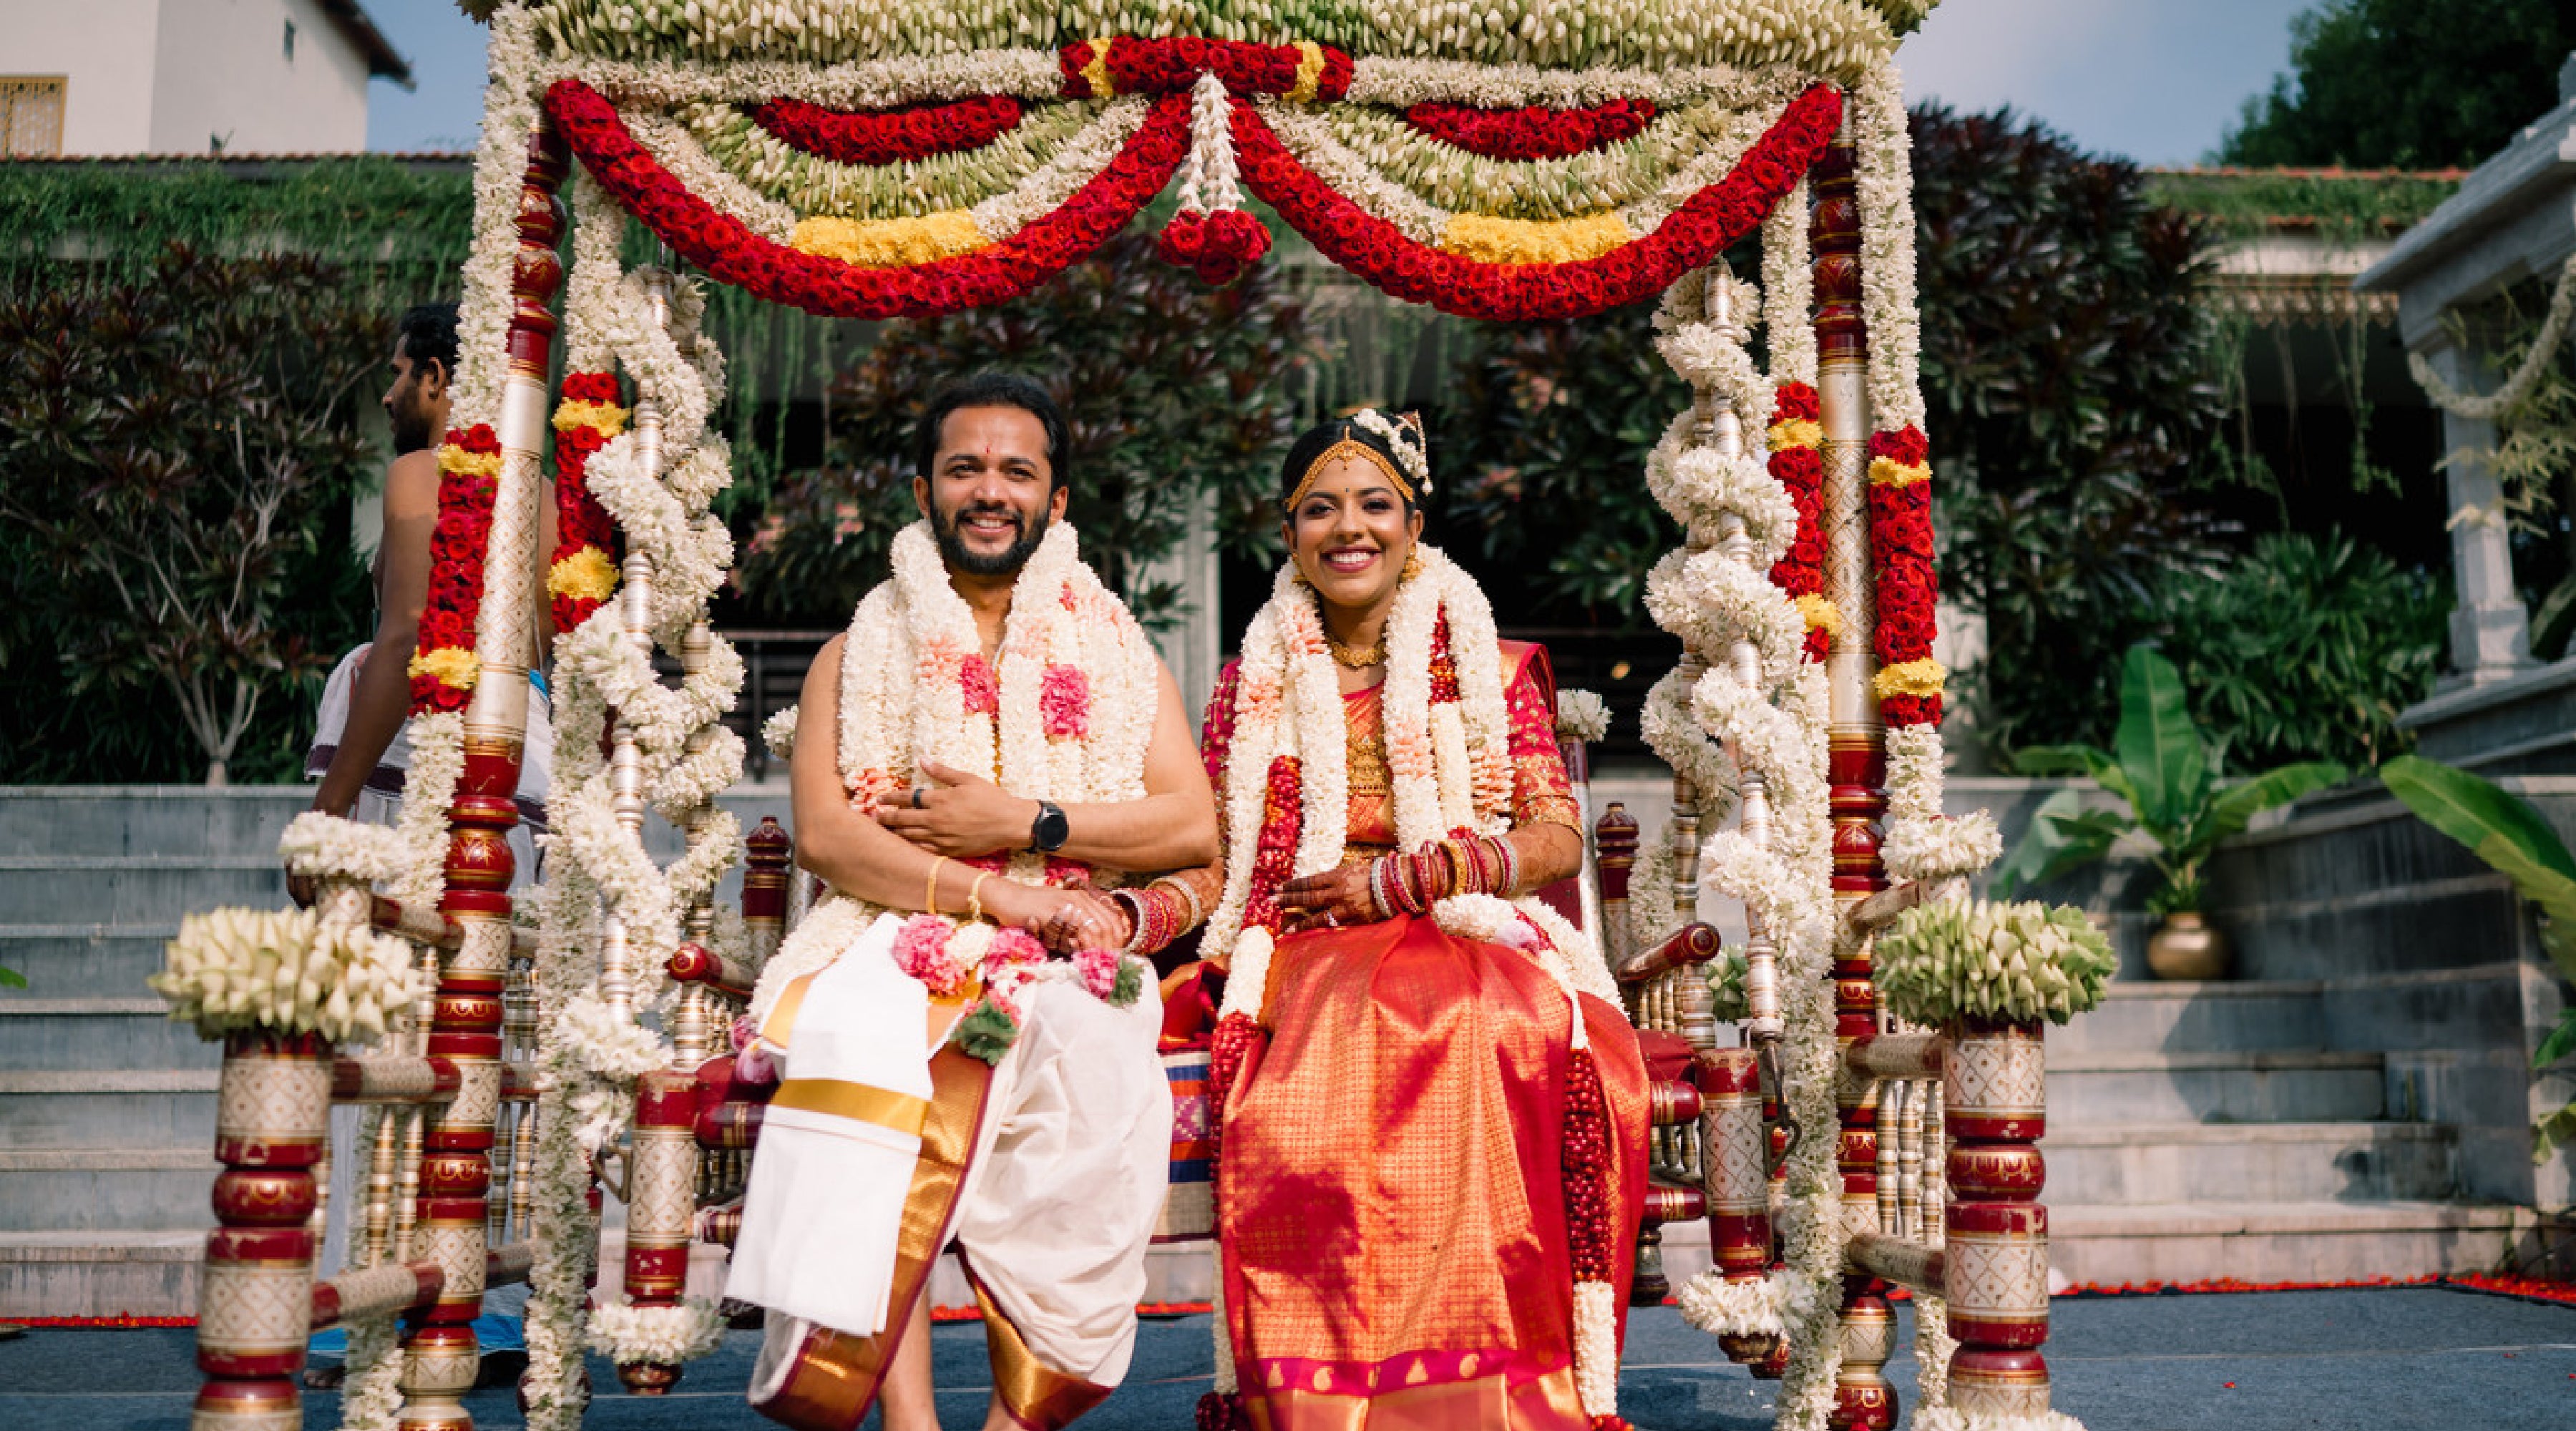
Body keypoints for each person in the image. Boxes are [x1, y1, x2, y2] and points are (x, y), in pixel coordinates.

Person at [1134, 411, 1652, 1429]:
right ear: (1288, 536)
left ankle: (1488, 1394)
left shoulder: (1487, 668)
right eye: (1319, 509)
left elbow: (1554, 838)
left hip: (1457, 921)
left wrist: (1415, 878)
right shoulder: (1253, 685)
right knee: (1308, 1071)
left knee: (1488, 1027)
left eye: (1374, 505)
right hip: (1293, 937)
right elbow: (1212, 857)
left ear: (1415, 525)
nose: (1348, 529)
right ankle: (1315, 1399)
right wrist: (1130, 916)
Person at [731, 373, 1219, 1431]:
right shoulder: (851, 657)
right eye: (965, 469)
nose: (989, 490)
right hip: (886, 941)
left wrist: (1028, 821)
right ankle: (910, 1425)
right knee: (873, 1047)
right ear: (922, 491)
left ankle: (1013, 1422)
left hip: (1071, 955)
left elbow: (1190, 827)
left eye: (1016, 471)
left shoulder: (1121, 658)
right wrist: (996, 893)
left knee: (1094, 1050)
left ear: (1055, 499)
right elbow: (830, 839)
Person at [295, 303, 556, 1387]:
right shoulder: (542, 491)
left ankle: (364, 1304)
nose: (392, 396)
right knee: (490, 1043)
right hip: (526, 761)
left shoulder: (423, 472)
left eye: (398, 376)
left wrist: (334, 810)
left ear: (441, 378)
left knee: (391, 1045)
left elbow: (405, 641)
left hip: (435, 763)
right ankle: (486, 1306)